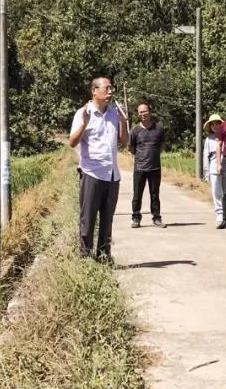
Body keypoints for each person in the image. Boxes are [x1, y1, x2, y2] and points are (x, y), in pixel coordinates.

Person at [68, 77, 130, 261]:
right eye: (107, 88)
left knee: (107, 220)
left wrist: (123, 122)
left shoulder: (114, 114)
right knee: (87, 218)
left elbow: (125, 142)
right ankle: (85, 258)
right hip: (91, 173)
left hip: (112, 175)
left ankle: (103, 256)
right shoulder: (83, 113)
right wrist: (84, 124)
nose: (111, 92)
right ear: (94, 90)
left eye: (112, 88)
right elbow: (72, 142)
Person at [129, 102, 166, 229]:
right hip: (139, 168)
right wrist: (141, 156)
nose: (143, 114)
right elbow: (131, 148)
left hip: (155, 167)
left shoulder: (159, 128)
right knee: (137, 195)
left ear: (149, 112)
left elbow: (162, 145)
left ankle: (156, 218)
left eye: (145, 111)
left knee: (155, 194)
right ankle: (136, 218)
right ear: (138, 114)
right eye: (141, 112)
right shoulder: (135, 130)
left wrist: (153, 155)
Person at [203, 113, 225, 228]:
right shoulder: (208, 139)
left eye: (218, 123)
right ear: (210, 126)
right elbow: (205, 157)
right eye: (213, 124)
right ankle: (220, 213)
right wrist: (206, 173)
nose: (215, 126)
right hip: (213, 167)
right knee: (216, 191)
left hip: (225, 166)